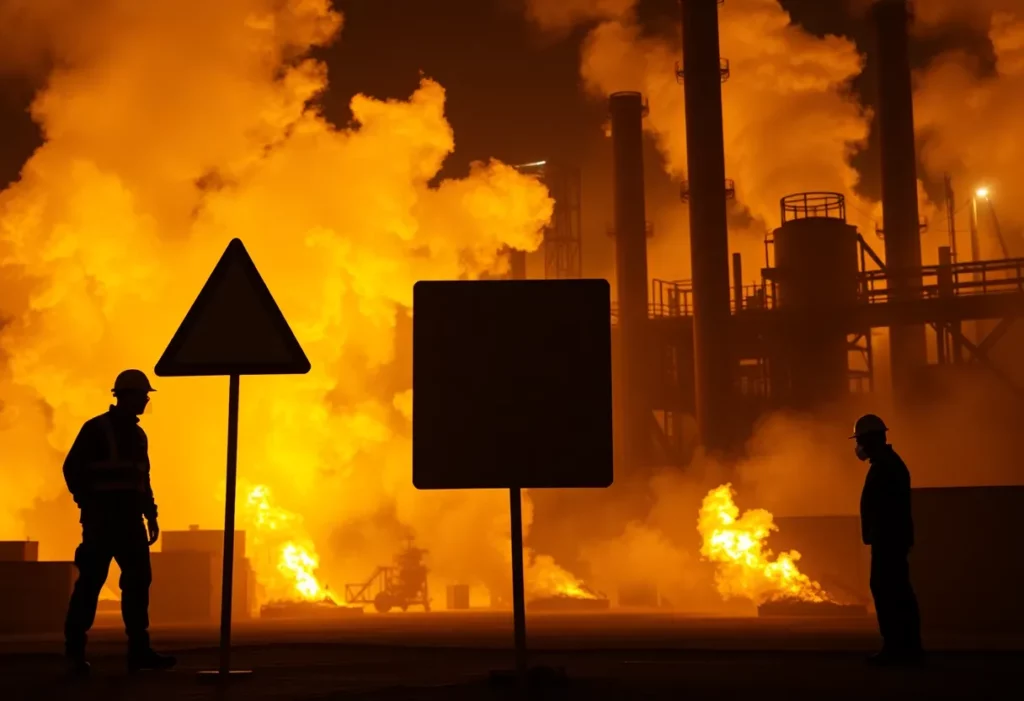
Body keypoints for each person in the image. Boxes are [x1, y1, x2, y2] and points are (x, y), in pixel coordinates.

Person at [63, 369, 176, 676]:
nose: (145, 401)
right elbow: (72, 468)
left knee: (138, 585)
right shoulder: (96, 429)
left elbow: (143, 479)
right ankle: (75, 656)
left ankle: (139, 652)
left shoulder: (139, 436)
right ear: (125, 396)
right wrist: (86, 501)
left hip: (130, 523)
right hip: (102, 524)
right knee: (89, 587)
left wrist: (150, 514)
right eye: (143, 395)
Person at [852, 414, 924, 666]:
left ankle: (898, 648)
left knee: (890, 591)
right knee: (894, 591)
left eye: (861, 439)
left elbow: (887, 507)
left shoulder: (887, 466)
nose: (859, 445)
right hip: (889, 538)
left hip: (889, 540)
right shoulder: (886, 464)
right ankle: (904, 647)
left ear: (872, 439)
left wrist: (879, 533)